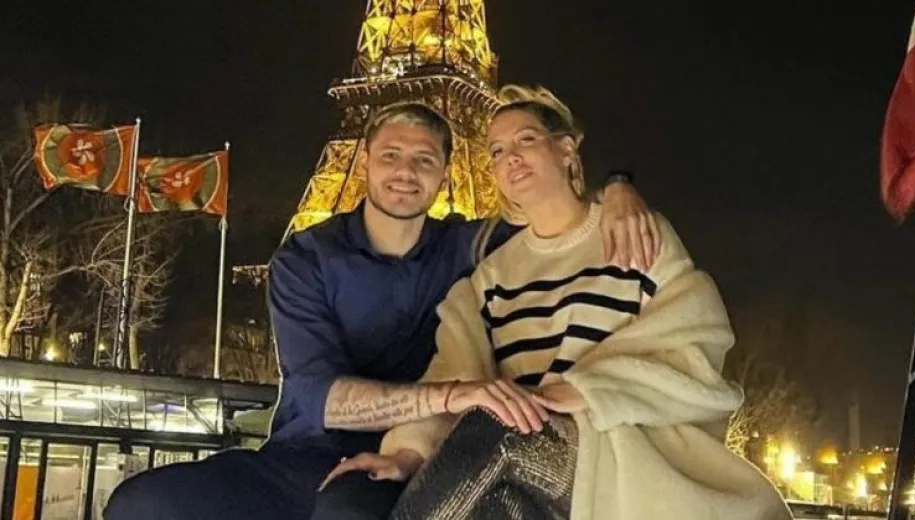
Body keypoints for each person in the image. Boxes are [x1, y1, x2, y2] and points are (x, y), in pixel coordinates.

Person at [102, 100, 659, 520]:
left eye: (424, 160)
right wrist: (454, 394)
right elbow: (319, 397)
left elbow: (558, 215)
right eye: (391, 155)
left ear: (446, 173)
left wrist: (617, 187)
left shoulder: (470, 247)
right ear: (363, 159)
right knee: (141, 502)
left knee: (346, 511)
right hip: (302, 456)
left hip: (416, 457)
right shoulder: (306, 258)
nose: (406, 172)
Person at [325, 85, 794, 520]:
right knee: (489, 500)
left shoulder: (633, 234)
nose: (511, 157)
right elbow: (454, 374)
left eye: (526, 140)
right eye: (497, 151)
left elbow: (695, 345)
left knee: (502, 425)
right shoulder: (489, 277)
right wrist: (408, 452)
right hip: (525, 471)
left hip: (623, 462)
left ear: (566, 149)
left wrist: (586, 391)